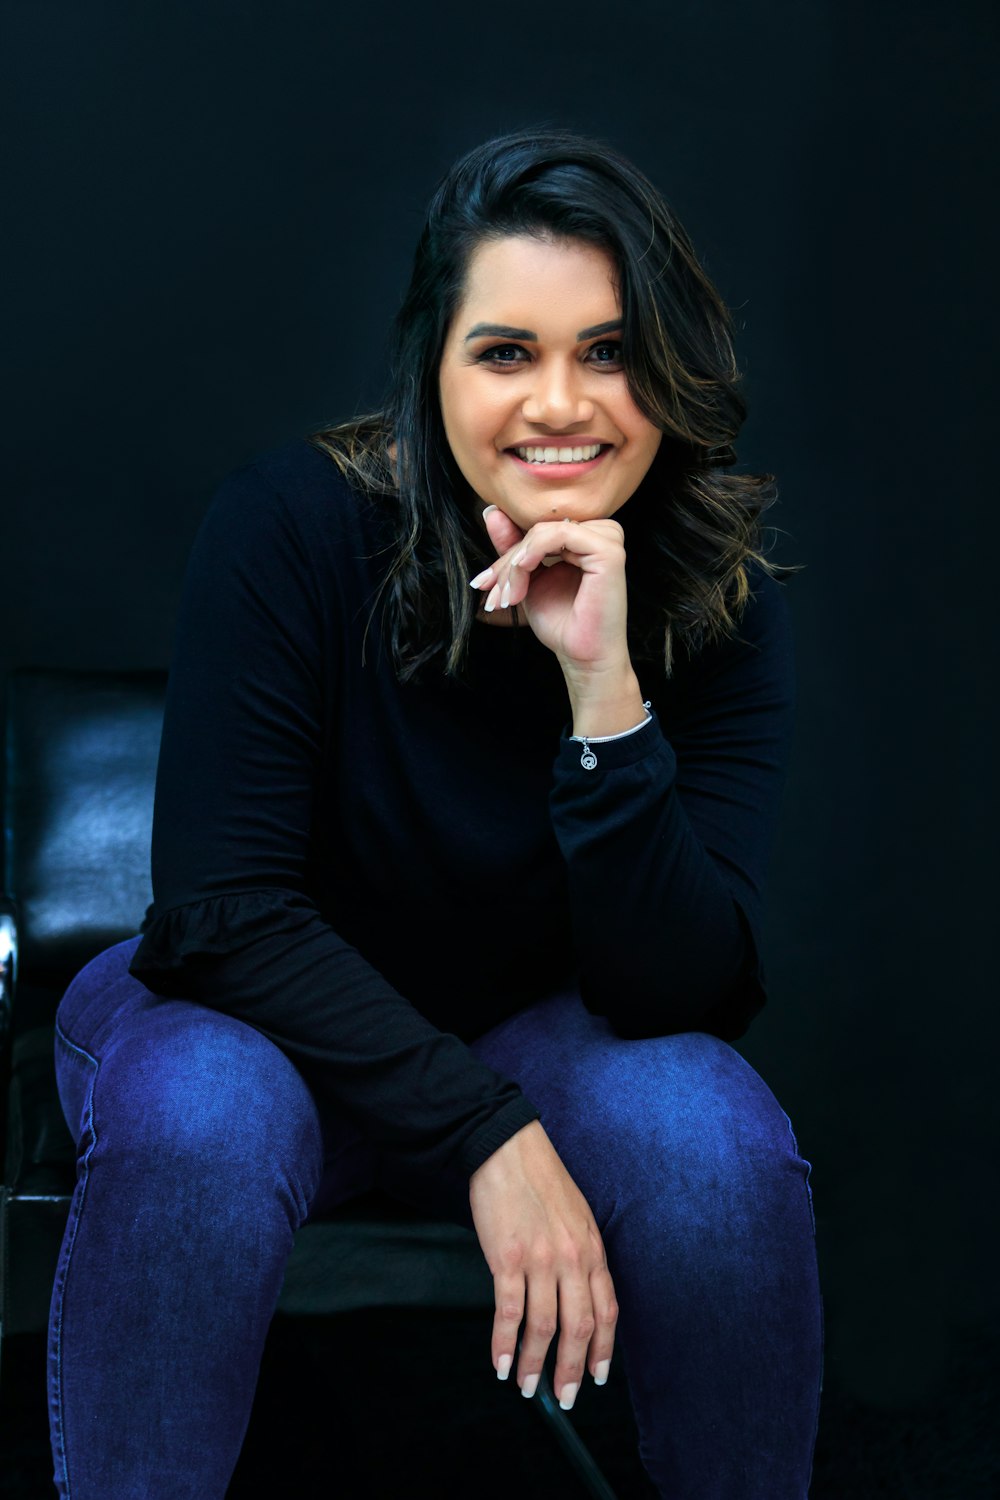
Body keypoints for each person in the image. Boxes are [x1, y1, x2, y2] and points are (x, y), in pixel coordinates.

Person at [48, 128, 824, 1497]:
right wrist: (484, 1132)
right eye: (507, 351)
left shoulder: (716, 602)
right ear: (436, 368)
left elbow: (685, 986)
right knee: (201, 1107)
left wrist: (605, 686)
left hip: (524, 1024)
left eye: (609, 350)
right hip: (247, 1018)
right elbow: (218, 918)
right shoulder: (293, 523)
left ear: (671, 376)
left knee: (714, 1139)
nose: (560, 404)